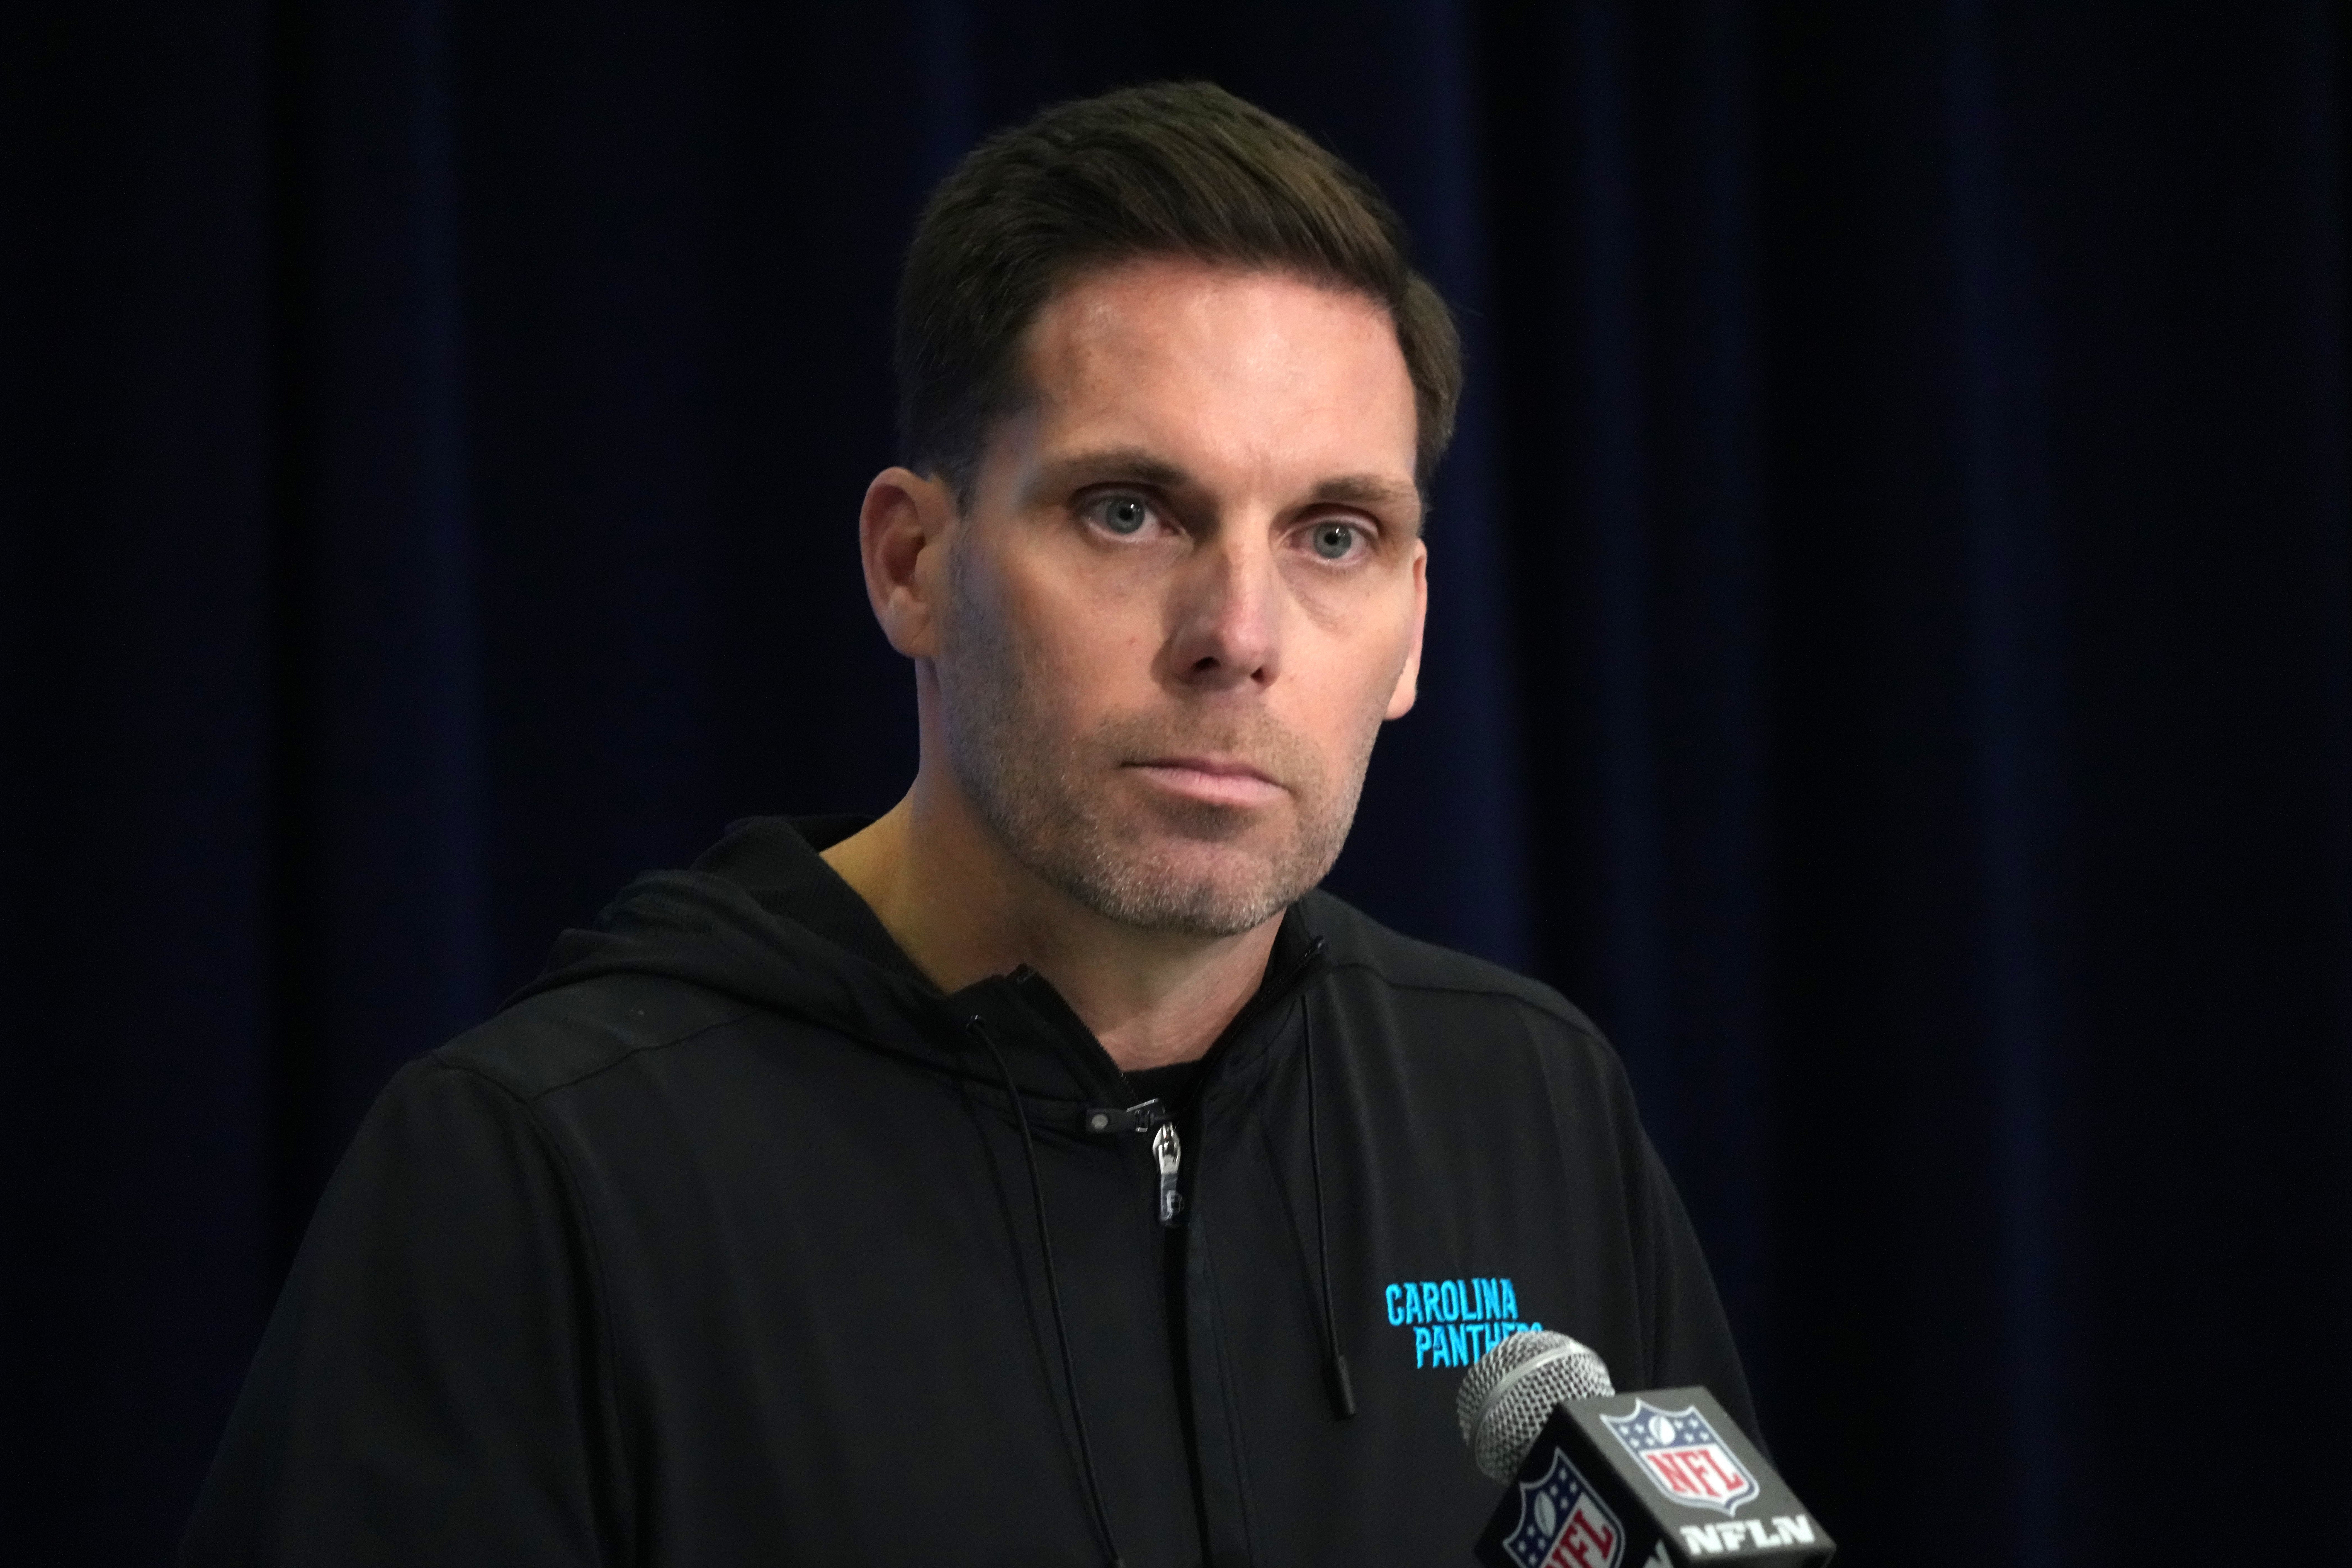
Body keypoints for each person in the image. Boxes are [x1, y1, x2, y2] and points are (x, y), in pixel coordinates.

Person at [180, 81, 1754, 1567]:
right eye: (1129, 511)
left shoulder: (1525, 1105)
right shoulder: (544, 1172)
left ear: (1411, 628)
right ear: (910, 562)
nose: (1239, 630)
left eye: (1333, 535)